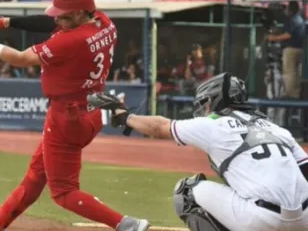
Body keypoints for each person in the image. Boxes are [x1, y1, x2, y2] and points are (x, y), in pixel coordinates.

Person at [0, 0, 150, 231]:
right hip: (91, 110)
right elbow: (49, 22)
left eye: (63, 15)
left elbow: (19, 58)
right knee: (34, 177)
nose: (57, 19)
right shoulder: (104, 22)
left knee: (64, 193)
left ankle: (127, 225)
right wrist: (4, 21)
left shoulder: (71, 41)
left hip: (66, 117)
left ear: (78, 13)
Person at [87, 72, 308, 231]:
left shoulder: (213, 125)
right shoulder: (277, 129)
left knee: (186, 192)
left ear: (218, 100)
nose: (204, 109)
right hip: (305, 218)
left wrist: (126, 117)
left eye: (206, 103)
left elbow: (159, 127)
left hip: (260, 220)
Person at [267, 1, 305, 99]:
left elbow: (288, 35)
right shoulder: (301, 19)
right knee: (295, 72)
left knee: (289, 72)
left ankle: (290, 93)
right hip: (299, 49)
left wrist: (273, 38)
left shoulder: (293, 20)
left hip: (291, 49)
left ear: (290, 9)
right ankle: (295, 92)